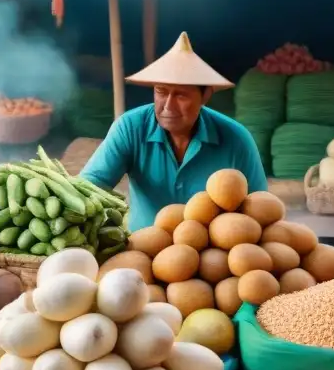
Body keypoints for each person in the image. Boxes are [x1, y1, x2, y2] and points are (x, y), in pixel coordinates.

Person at [81, 32, 267, 231]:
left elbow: (261, 206)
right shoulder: (130, 127)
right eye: (161, 92)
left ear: (206, 96)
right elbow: (92, 185)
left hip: (212, 254)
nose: (168, 106)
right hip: (143, 247)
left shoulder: (236, 138)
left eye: (181, 95)